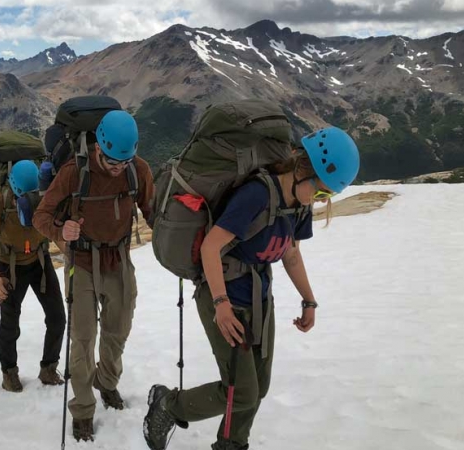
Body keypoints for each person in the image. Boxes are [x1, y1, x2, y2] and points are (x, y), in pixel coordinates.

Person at [143, 127, 361, 450]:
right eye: (320, 193)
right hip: (223, 293)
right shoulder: (258, 196)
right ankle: (167, 406)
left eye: (326, 196)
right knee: (241, 390)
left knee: (257, 387)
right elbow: (210, 248)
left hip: (259, 298)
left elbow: (291, 253)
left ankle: (231, 443)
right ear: (304, 170)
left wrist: (309, 300)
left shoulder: (298, 205)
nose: (319, 201)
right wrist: (221, 304)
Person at [33, 109, 154, 442]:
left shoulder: (137, 170)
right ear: (99, 146)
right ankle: (83, 409)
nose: (117, 169)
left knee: (118, 329)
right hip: (82, 262)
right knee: (83, 339)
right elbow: (40, 216)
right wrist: (61, 229)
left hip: (119, 258)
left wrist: (177, 235)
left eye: (123, 163)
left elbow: (152, 210)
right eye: (112, 162)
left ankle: (108, 383)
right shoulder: (75, 172)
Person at [0, 161, 65, 392]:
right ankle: (9, 373)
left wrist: (72, 255)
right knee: (10, 323)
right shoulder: (0, 202)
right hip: (10, 265)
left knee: (57, 316)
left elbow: (54, 231)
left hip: (39, 261)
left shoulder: (42, 197)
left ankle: (49, 368)